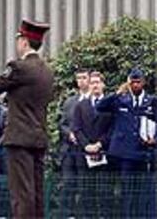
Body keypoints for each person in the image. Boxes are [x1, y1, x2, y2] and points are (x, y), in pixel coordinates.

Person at [0, 18, 54, 219]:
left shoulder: (19, 68)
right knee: (36, 192)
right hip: (38, 137)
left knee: (21, 193)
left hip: (19, 138)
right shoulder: (47, 71)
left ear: (24, 41)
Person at [97, 68, 157, 218]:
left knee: (144, 192)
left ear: (143, 82)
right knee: (127, 192)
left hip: (145, 153)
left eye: (138, 82)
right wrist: (117, 92)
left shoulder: (152, 101)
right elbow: (100, 106)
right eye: (132, 82)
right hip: (125, 154)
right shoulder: (120, 100)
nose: (135, 85)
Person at [72, 71, 113, 217]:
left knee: (104, 191)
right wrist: (87, 146)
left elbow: (112, 129)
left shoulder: (110, 105)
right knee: (86, 192)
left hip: (104, 154)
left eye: (97, 82)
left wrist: (100, 144)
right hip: (85, 156)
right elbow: (76, 128)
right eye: (92, 83)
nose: (95, 85)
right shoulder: (80, 106)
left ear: (103, 84)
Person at [59, 68, 90, 218]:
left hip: (85, 151)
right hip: (69, 150)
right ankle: (68, 215)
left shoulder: (93, 101)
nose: (81, 81)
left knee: (84, 185)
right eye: (78, 78)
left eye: (84, 78)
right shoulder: (69, 102)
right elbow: (62, 124)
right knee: (68, 184)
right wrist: (69, 134)